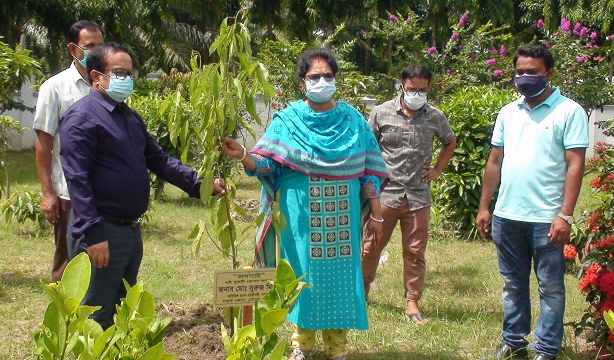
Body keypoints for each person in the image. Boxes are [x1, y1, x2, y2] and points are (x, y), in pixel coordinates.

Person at [224, 47, 389, 360]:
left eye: (328, 76)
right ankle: (302, 346)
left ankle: (337, 348)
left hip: (343, 216)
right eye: (315, 77)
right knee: (302, 276)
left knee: (340, 278)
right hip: (300, 215)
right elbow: (266, 164)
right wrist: (243, 154)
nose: (322, 81)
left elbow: (369, 172)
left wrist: (377, 217)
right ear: (302, 82)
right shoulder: (287, 121)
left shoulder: (353, 120)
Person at [59, 42, 227, 329]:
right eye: (119, 72)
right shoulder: (81, 117)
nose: (126, 79)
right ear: (97, 76)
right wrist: (94, 233)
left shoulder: (129, 117)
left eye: (129, 73)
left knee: (121, 307)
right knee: (95, 312)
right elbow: (78, 180)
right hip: (101, 232)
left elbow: (158, 160)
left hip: (129, 231)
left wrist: (201, 185)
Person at [475, 44, 588, 360]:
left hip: (546, 218)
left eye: (532, 72)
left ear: (549, 74)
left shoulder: (569, 111)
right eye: (519, 72)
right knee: (512, 284)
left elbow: (576, 164)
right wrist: (485, 207)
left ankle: (547, 349)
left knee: (550, 288)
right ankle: (513, 341)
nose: (524, 77)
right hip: (507, 215)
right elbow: (495, 161)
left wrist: (564, 215)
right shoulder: (508, 112)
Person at [361, 65, 456, 325]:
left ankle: (412, 302)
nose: (417, 94)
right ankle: (362, 293)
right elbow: (367, 146)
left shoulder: (435, 116)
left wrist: (438, 169)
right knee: (371, 246)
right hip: (384, 195)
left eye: (422, 90)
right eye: (412, 89)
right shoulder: (381, 113)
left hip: (417, 196)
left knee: (415, 251)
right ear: (402, 86)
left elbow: (450, 141)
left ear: (429, 89)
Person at [33, 20, 104, 283]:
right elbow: (43, 143)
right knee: (68, 264)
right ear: (74, 49)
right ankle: (63, 320)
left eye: (101, 45)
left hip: (104, 193)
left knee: (102, 262)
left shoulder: (109, 85)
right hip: (69, 194)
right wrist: (48, 193)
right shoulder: (55, 88)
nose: (97, 52)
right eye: (90, 46)